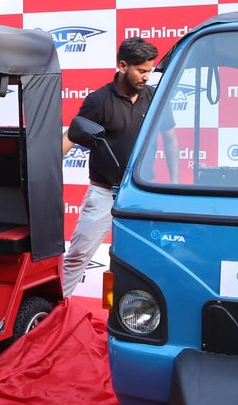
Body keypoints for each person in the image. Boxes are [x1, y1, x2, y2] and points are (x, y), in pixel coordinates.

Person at [60, 37, 177, 298]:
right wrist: (43, 166)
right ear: (123, 66)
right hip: (104, 194)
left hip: (141, 194)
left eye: (150, 70)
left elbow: (170, 137)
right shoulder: (98, 100)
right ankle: (56, 312)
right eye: (142, 70)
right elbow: (72, 136)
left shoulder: (154, 98)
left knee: (148, 261)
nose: (147, 77)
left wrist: (175, 182)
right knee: (78, 255)